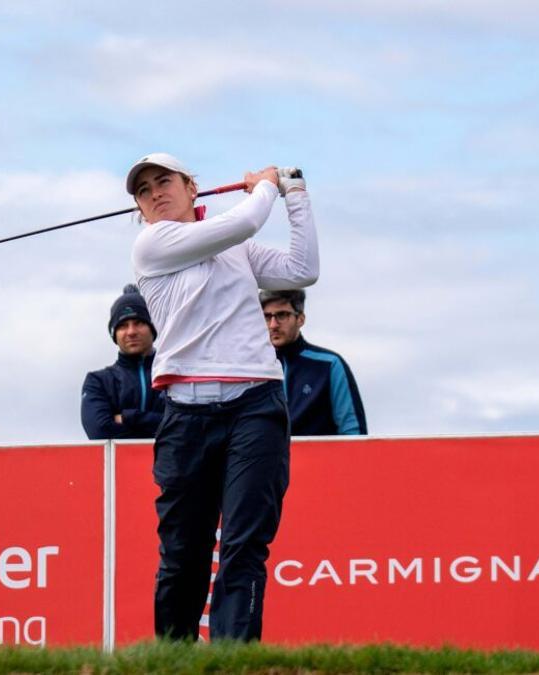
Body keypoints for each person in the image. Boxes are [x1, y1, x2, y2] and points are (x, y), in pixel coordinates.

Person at [127, 153, 318, 642]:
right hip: (185, 414)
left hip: (255, 405)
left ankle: (234, 661)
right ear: (141, 212)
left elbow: (302, 269)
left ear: (192, 187)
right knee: (183, 553)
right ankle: (174, 659)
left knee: (244, 545)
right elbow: (248, 219)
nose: (155, 193)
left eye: (163, 181)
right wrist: (266, 185)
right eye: (144, 191)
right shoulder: (153, 244)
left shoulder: (237, 248)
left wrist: (295, 194)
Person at [259, 289, 367, 435]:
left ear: (300, 319)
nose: (273, 325)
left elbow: (353, 432)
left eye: (282, 315)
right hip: (265, 457)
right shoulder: (250, 369)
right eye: (267, 316)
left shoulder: (329, 365)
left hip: (320, 457)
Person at [80, 284, 166, 439]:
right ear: (114, 333)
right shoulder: (98, 382)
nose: (131, 332)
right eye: (123, 326)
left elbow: (187, 428)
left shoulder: (174, 376)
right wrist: (156, 424)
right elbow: (99, 431)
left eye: (139, 323)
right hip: (121, 464)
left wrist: (129, 417)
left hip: (170, 463)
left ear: (153, 328)